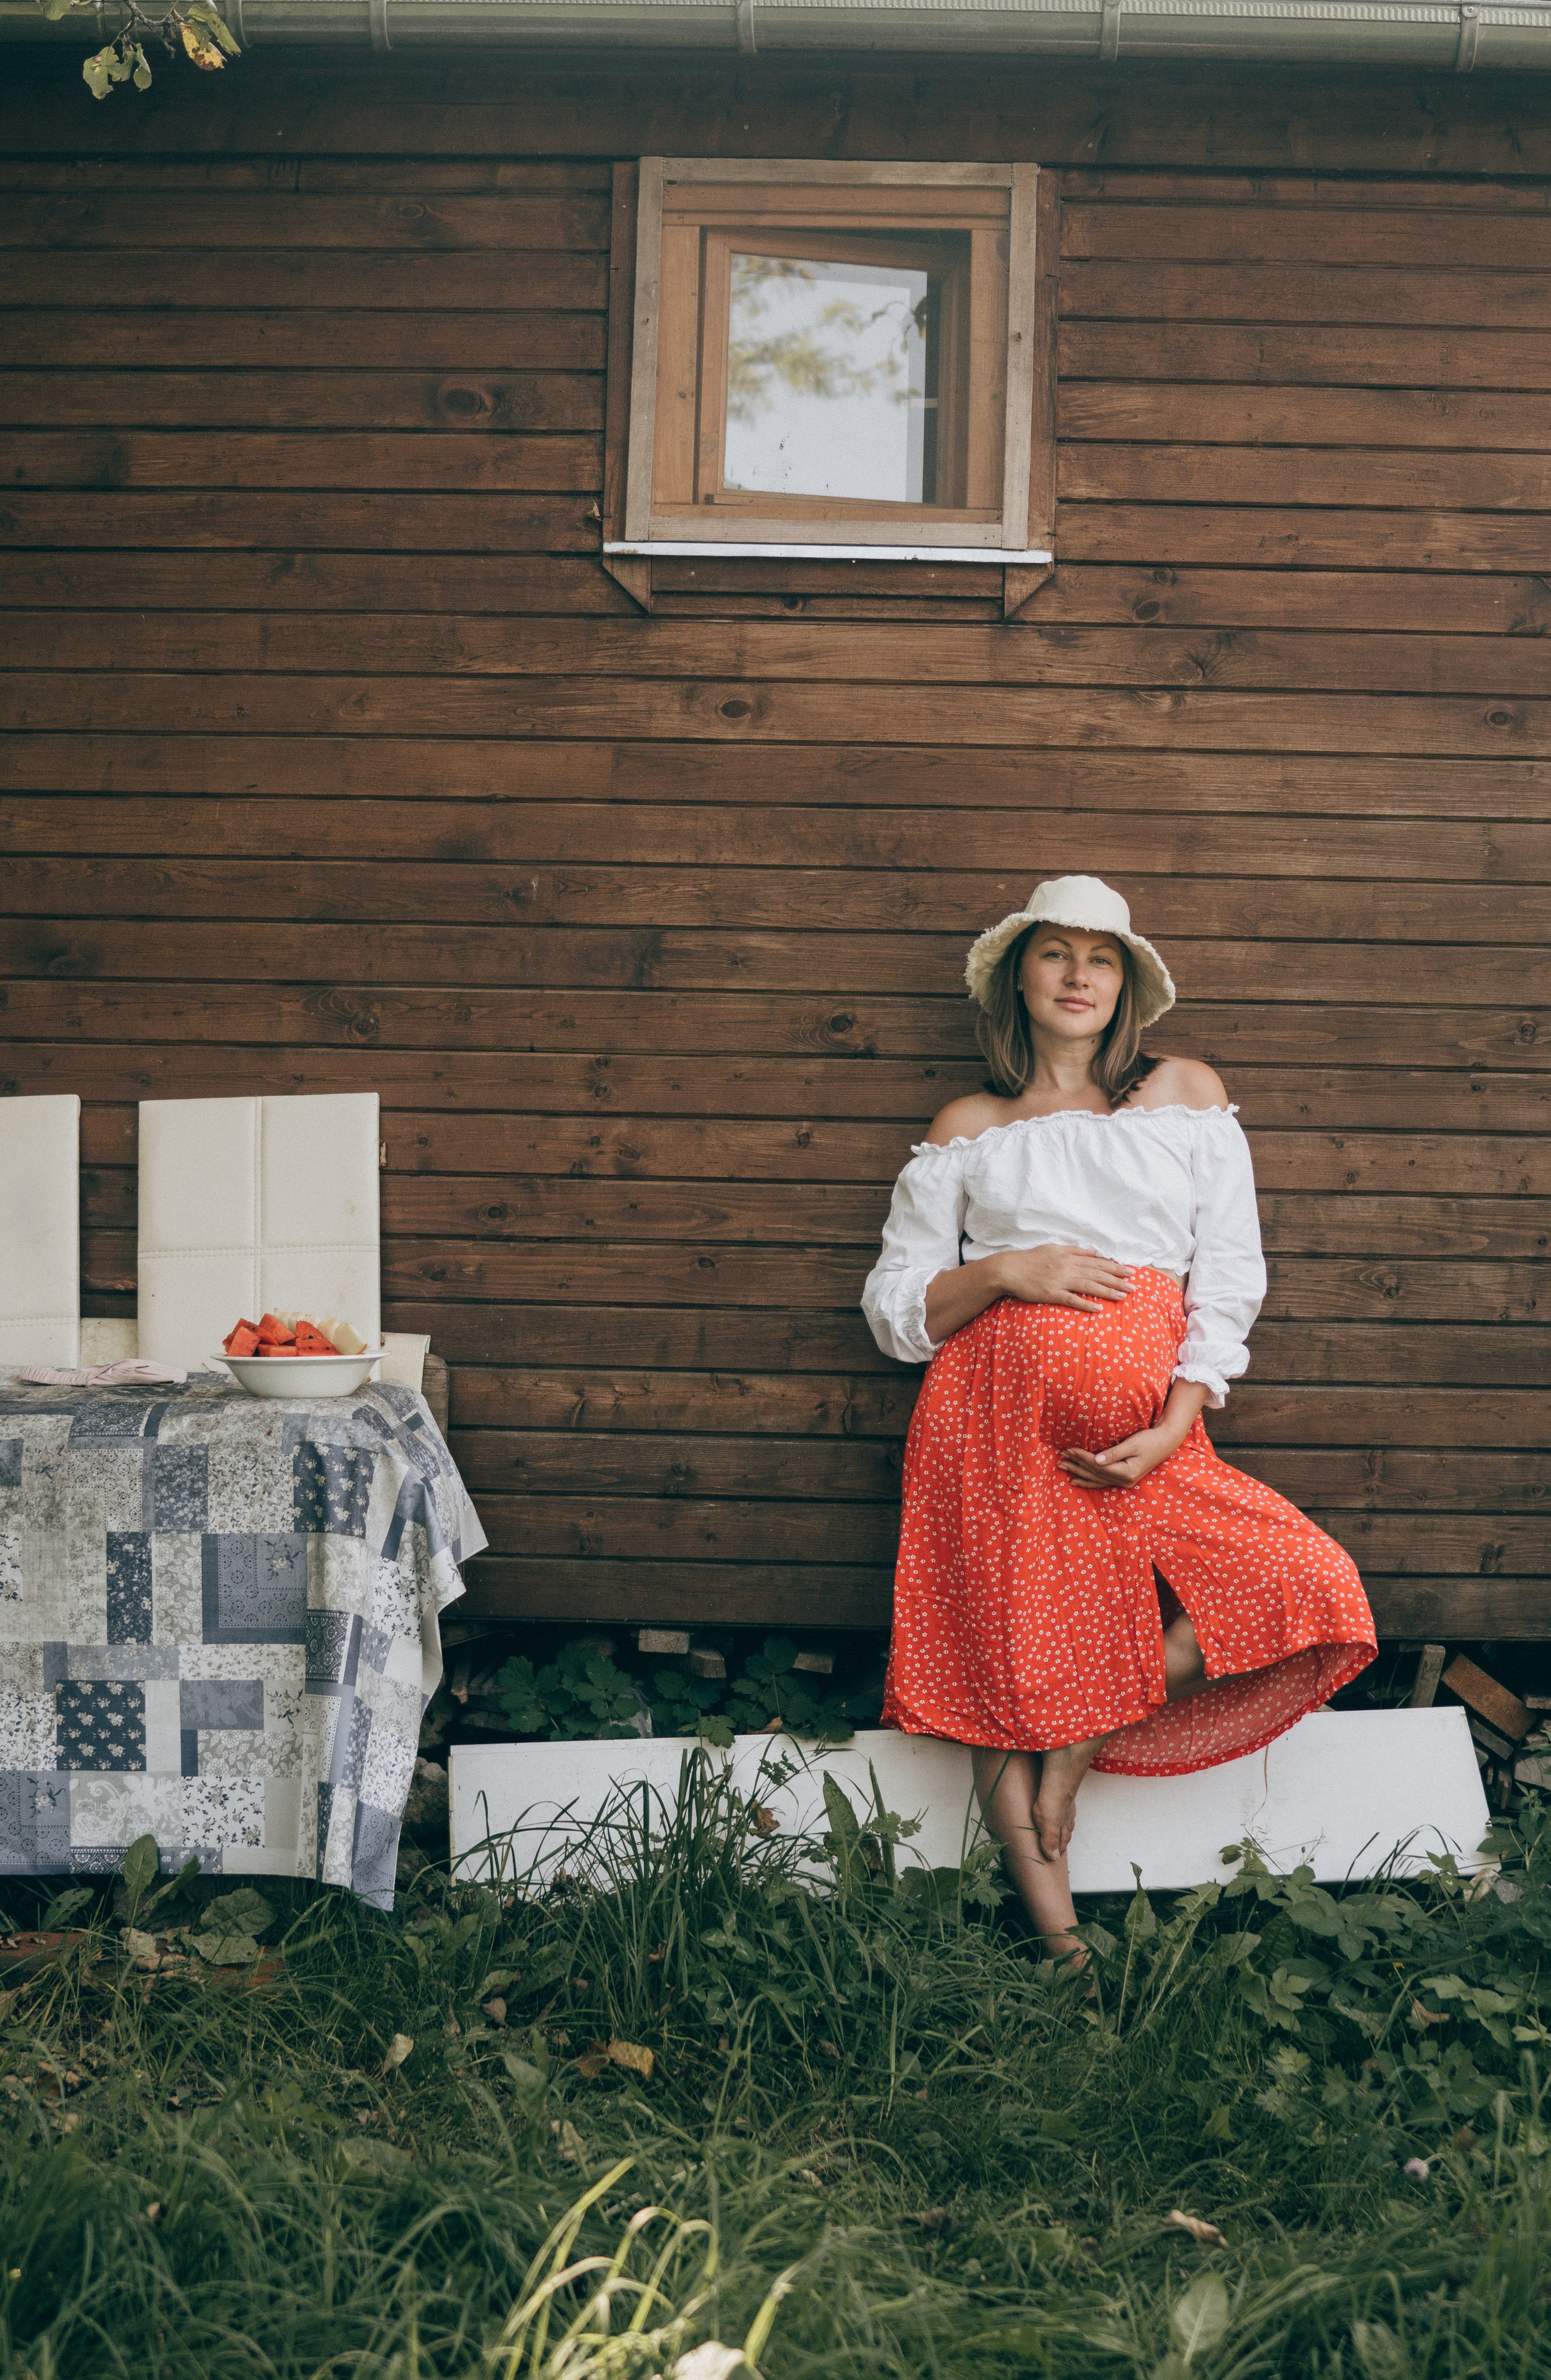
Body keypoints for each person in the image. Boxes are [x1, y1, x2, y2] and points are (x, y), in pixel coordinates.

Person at [862, 875, 1376, 1965]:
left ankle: (1084, 1733)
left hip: (1145, 1435)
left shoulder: (1184, 1094)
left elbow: (1230, 1272)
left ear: (1128, 984)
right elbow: (898, 1314)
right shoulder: (971, 1127)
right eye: (1056, 953)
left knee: (1304, 1579)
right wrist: (1009, 1267)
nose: (1080, 974)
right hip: (986, 1430)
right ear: (1021, 977)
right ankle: (1067, 1956)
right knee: (998, 1677)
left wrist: (1181, 1418)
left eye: (1102, 957)